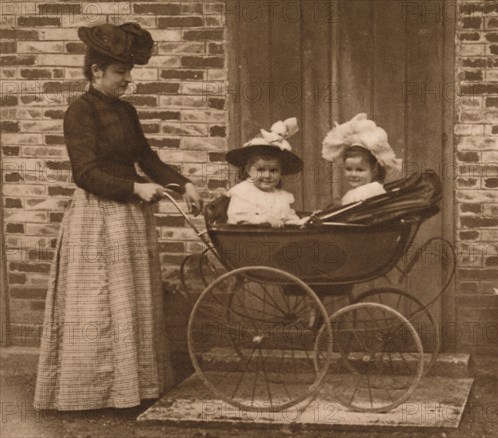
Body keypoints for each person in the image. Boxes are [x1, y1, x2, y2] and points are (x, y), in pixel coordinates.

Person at [33, 22, 202, 411]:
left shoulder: (126, 111)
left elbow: (147, 158)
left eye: (129, 73)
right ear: (96, 72)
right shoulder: (79, 112)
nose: (128, 80)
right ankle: (93, 392)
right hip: (97, 216)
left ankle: (134, 386)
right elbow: (85, 172)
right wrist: (134, 189)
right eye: (120, 73)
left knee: (131, 302)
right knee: (98, 303)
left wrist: (183, 183)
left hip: (130, 216)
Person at [225, 118, 306, 227]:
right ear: (249, 170)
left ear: (281, 172)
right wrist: (265, 219)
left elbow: (288, 216)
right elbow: (238, 217)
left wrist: (297, 222)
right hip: (249, 239)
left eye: (274, 170)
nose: (267, 175)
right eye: (261, 170)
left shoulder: (281, 196)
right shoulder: (242, 192)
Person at [321, 113, 403, 205]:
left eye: (360, 170)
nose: (353, 174)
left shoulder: (363, 194)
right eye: (348, 169)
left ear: (374, 169)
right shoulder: (376, 188)